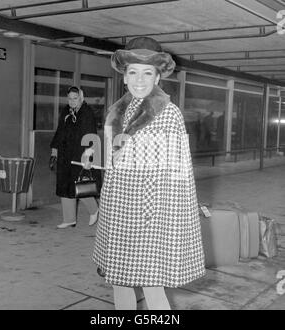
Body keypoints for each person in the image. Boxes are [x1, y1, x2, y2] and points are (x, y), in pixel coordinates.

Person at [92, 37, 205, 310]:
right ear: (124, 75)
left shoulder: (168, 113)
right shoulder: (118, 111)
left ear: (157, 77)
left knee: (151, 285)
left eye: (147, 72)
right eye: (133, 71)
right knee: (119, 280)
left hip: (149, 214)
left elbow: (177, 172)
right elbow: (114, 165)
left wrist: (168, 220)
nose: (139, 80)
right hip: (118, 209)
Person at [50, 86, 100, 229]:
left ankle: (94, 209)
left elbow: (91, 135)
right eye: (70, 98)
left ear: (81, 98)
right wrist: (54, 150)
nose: (72, 101)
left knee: (78, 184)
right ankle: (69, 219)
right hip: (65, 154)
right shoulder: (66, 111)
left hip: (80, 153)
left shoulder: (86, 113)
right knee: (64, 185)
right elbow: (60, 131)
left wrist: (89, 156)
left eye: (75, 98)